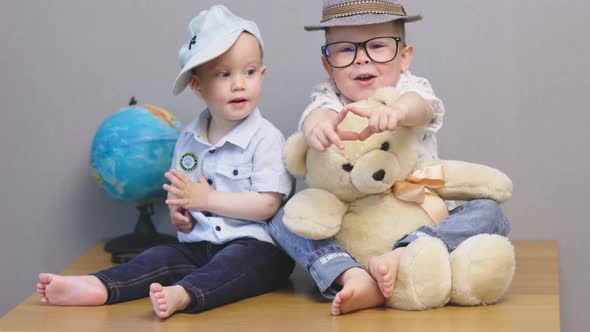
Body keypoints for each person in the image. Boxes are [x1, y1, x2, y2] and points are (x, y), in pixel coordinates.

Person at [36, 5, 294, 319]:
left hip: (256, 246)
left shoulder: (266, 137)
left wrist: (208, 198)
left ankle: (184, 293)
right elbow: (181, 194)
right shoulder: (188, 139)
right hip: (200, 245)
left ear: (261, 74)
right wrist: (180, 215)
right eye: (224, 74)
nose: (239, 83)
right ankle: (99, 286)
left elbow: (267, 205)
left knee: (239, 263)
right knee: (159, 255)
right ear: (198, 86)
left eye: (249, 72)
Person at [269, 0, 511, 316]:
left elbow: (421, 106)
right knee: (281, 219)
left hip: (419, 216)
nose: (362, 60)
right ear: (328, 65)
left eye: (378, 46)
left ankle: (406, 252)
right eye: (345, 50)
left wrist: (397, 111)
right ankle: (348, 272)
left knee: (489, 212)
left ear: (404, 57)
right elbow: (317, 114)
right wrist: (318, 128)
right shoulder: (328, 96)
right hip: (353, 223)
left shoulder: (410, 88)